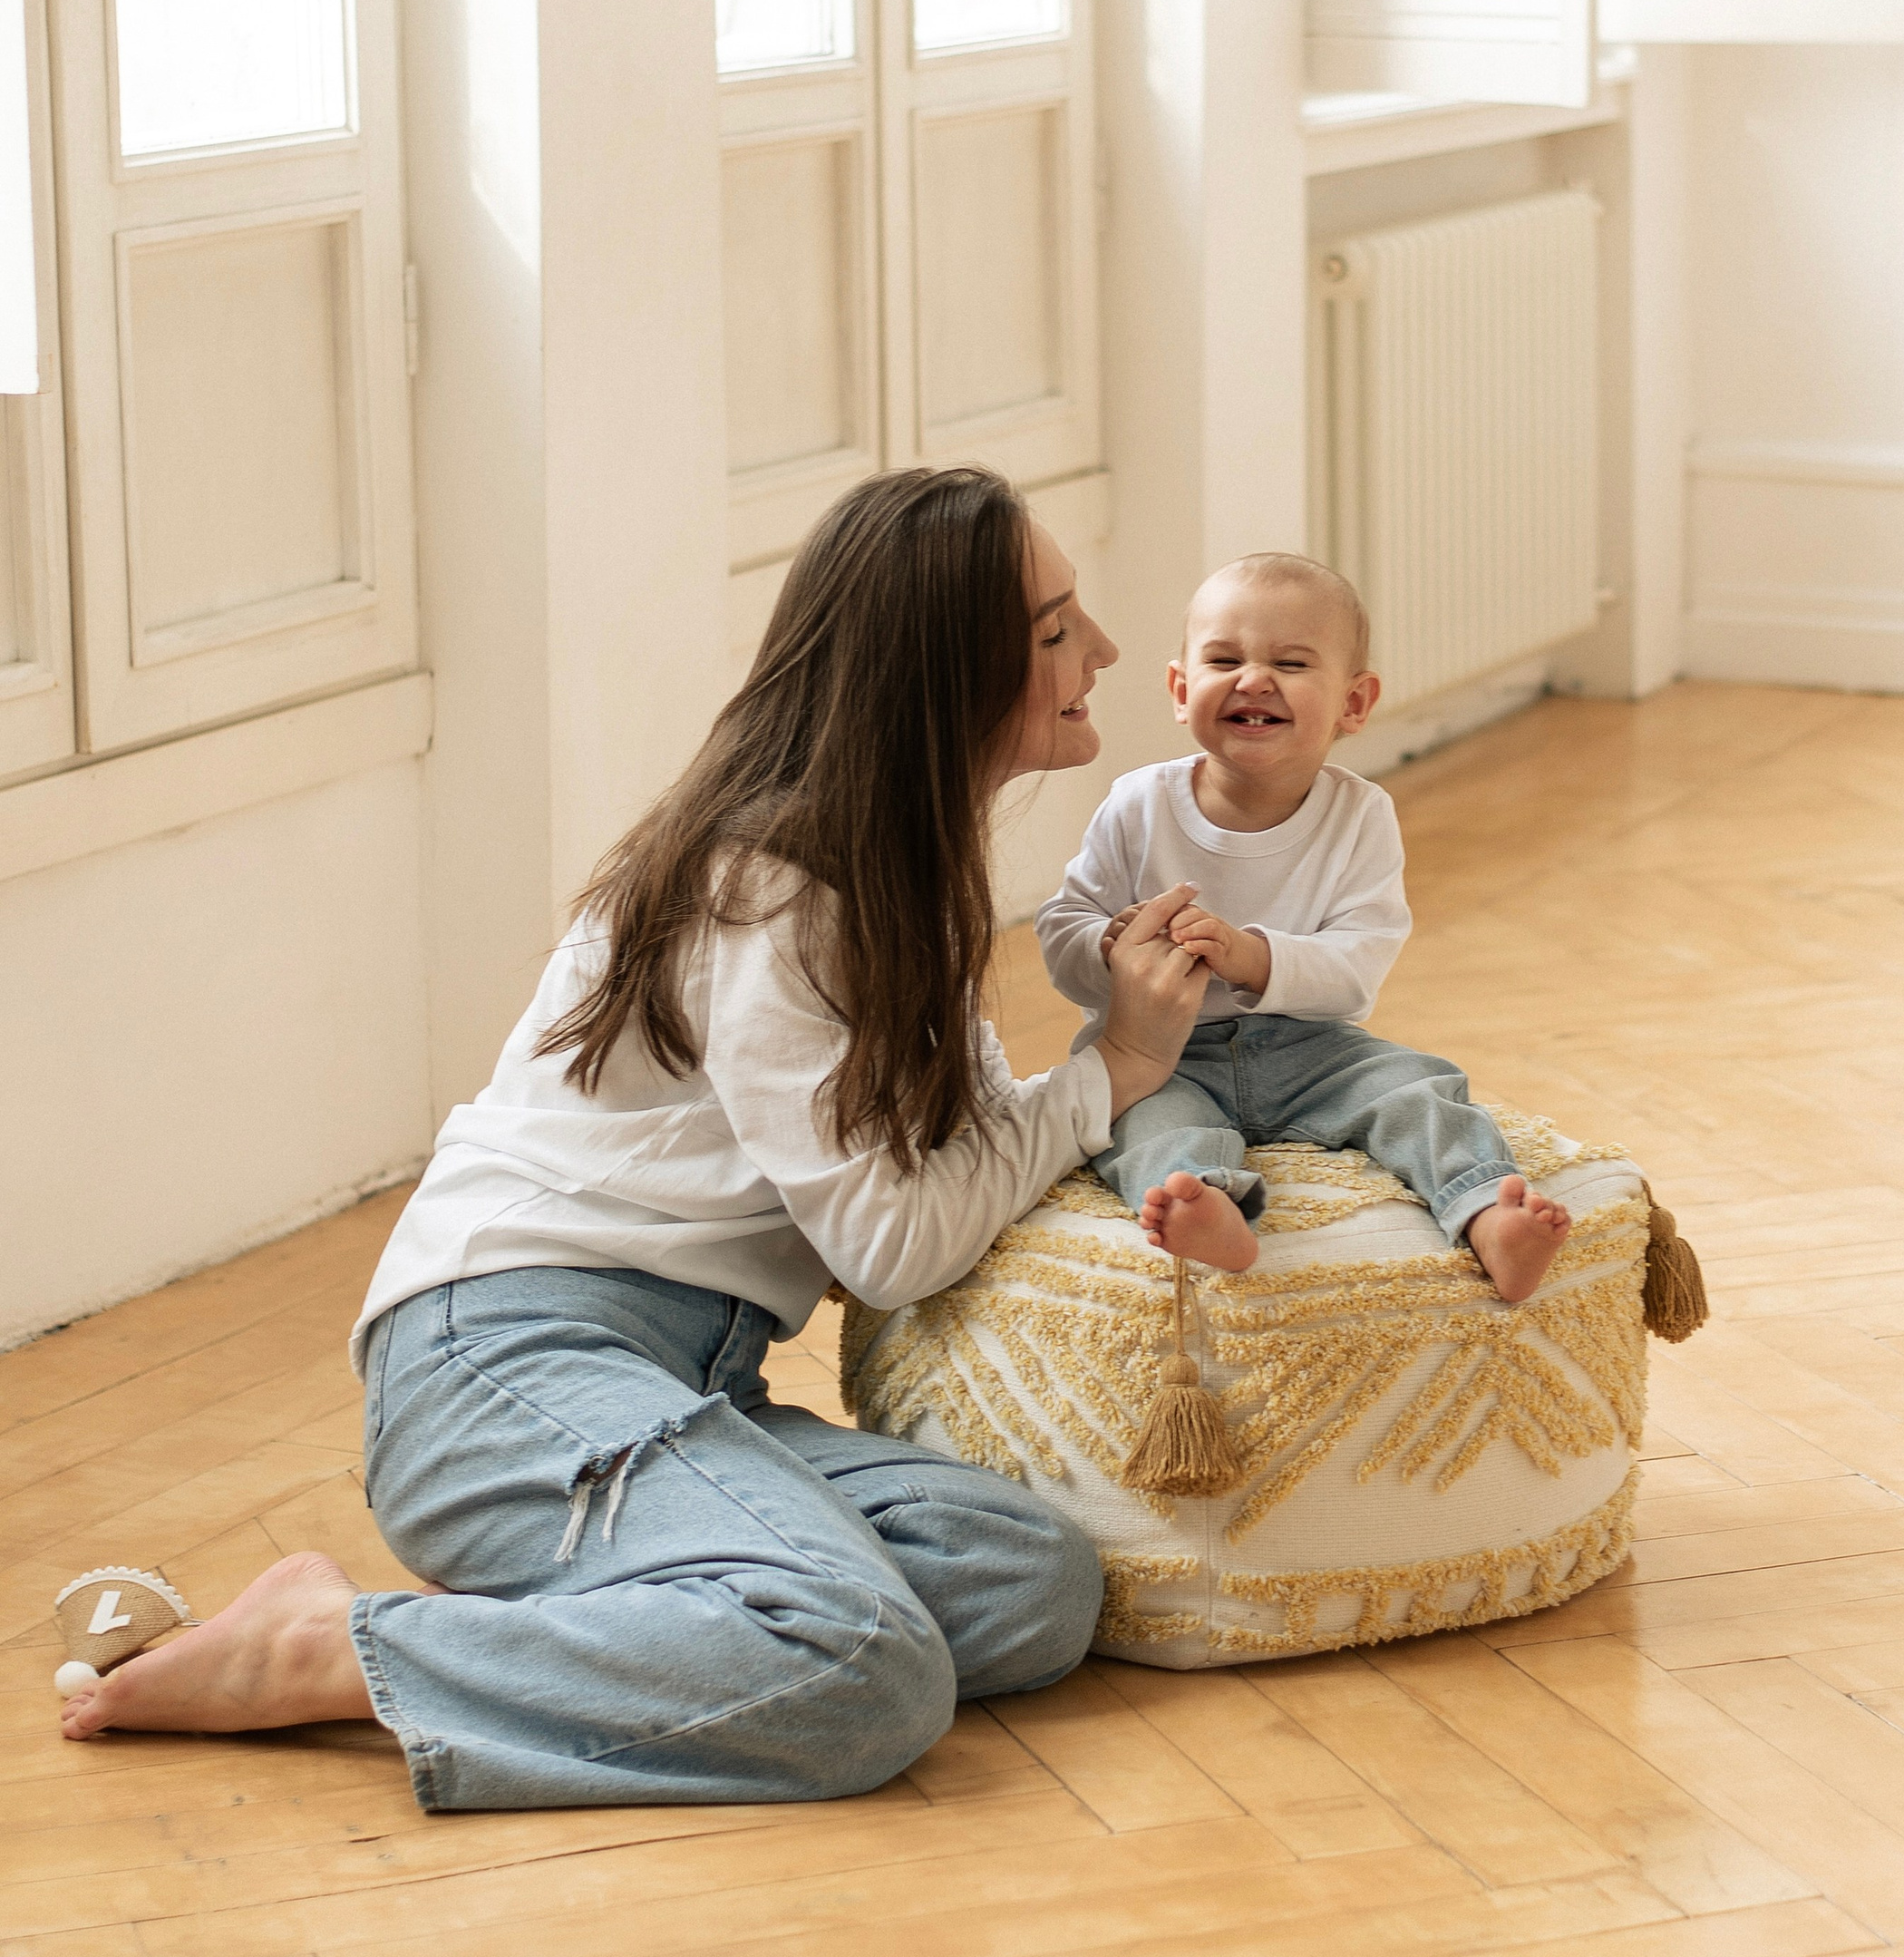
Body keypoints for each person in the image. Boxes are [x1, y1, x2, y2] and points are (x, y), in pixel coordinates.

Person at [57, 470, 1213, 1811]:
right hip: (500, 1364)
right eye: (1056, 625)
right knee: (868, 1668)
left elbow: (930, 1185)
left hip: (688, 1376)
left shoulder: (886, 876)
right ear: (943, 669)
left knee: (1029, 1585)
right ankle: (328, 1649)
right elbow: (894, 1248)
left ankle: (640, 1604)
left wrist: (1097, 1078)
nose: (1104, 652)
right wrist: (1117, 1066)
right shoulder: (772, 896)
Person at [1038, 552, 1570, 1303]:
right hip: (1159, 1051)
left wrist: (1252, 956)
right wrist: (1108, 946)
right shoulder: (1137, 804)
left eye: (1289, 662)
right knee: (1139, 1122)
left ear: (1354, 703)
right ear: (1182, 689)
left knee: (1415, 1086)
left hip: (1312, 1047)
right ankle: (1206, 1205)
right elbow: (1063, 927)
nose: (1253, 679)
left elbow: (1357, 965)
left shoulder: (1360, 815)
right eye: (1225, 659)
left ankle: (1484, 1209)